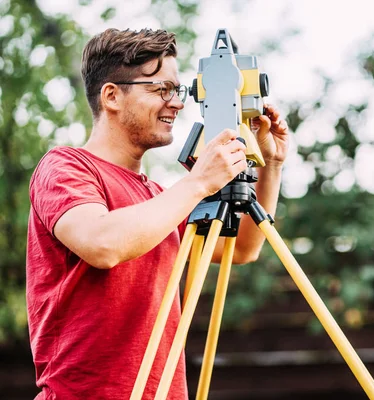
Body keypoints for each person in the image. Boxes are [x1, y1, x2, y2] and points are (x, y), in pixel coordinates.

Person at [26, 28, 289, 400]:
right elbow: (102, 244)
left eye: (177, 90)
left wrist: (271, 166)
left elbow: (244, 248)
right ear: (112, 96)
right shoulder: (65, 167)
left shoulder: (155, 197)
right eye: (161, 89)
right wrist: (199, 183)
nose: (177, 103)